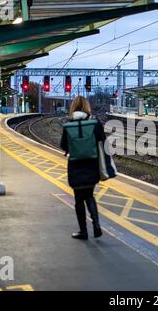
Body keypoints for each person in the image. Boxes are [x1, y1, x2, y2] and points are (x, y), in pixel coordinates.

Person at [60, 97, 105, 240]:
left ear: (73, 107)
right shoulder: (95, 123)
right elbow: (102, 139)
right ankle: (96, 225)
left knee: (79, 198)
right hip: (92, 165)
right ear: (87, 107)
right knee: (89, 195)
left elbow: (63, 145)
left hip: (75, 165)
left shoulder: (68, 124)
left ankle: (83, 231)